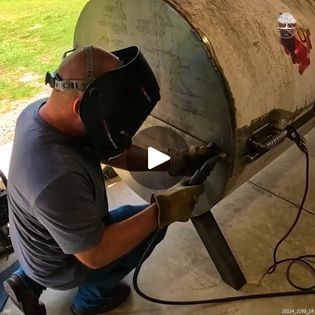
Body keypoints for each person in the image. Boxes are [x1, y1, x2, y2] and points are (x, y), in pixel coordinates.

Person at [3, 45, 213, 315]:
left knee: (120, 218)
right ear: (81, 107)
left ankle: (26, 281)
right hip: (64, 263)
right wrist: (162, 211)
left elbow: (116, 154)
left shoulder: (39, 112)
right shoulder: (56, 176)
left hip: (37, 242)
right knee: (150, 230)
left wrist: (173, 162)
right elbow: (95, 254)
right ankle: (90, 302)